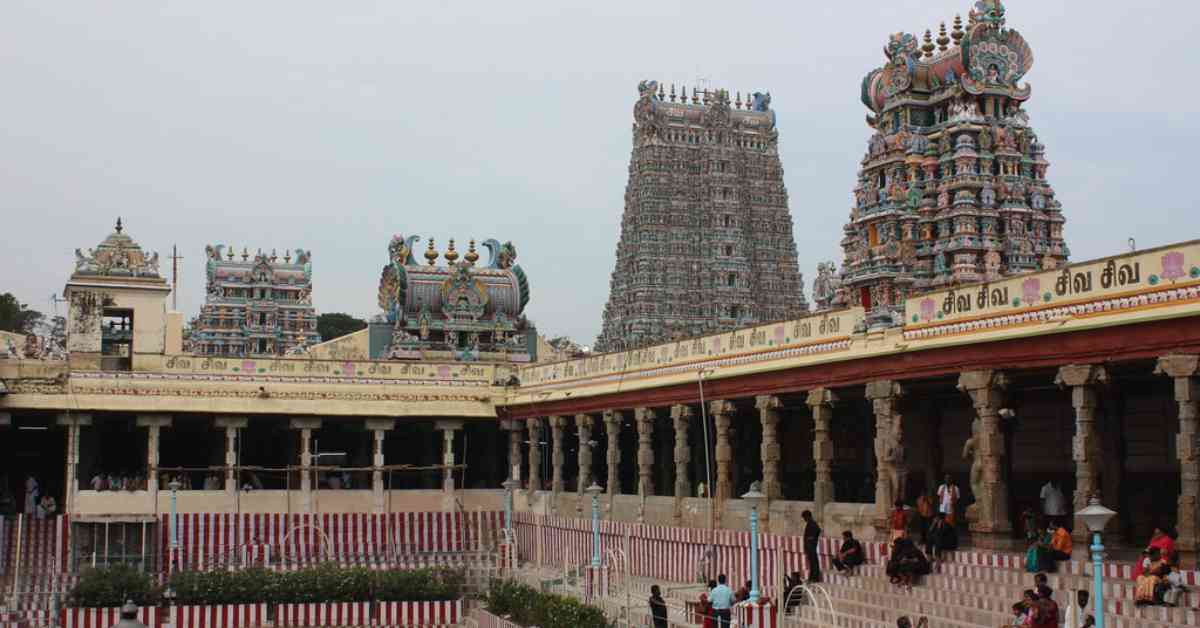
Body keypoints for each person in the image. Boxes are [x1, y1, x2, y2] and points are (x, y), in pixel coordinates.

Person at [801, 510, 822, 582]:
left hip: (812, 546)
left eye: (804, 517)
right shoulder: (809, 523)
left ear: (808, 516)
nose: (804, 519)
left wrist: (811, 538)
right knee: (812, 563)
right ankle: (812, 578)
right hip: (809, 546)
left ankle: (815, 578)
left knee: (814, 562)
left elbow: (818, 531)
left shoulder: (813, 523)